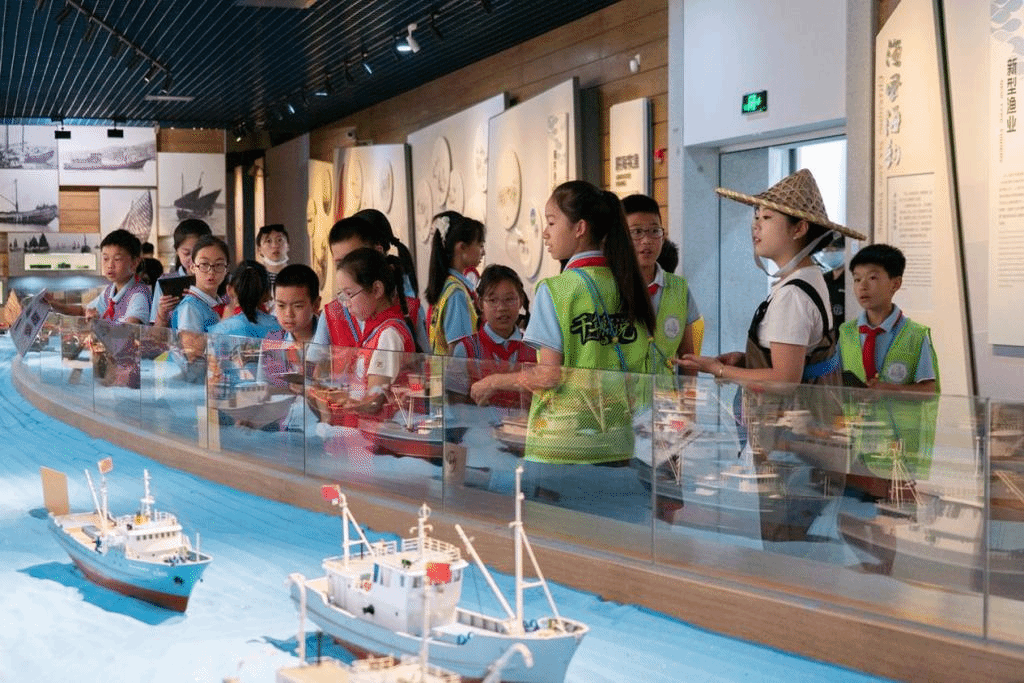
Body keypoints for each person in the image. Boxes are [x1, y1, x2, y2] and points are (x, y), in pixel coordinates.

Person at [473, 180, 654, 466]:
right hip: (618, 440)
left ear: (580, 228)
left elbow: (549, 376)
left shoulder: (556, 290)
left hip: (563, 444)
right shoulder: (630, 285)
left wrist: (494, 382)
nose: (545, 233)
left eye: (552, 222)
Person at [679, 169, 866, 385]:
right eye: (756, 216)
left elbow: (784, 380)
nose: (756, 226)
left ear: (799, 229)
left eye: (767, 217)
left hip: (790, 408)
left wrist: (719, 369)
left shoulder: (792, 295)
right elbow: (798, 361)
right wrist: (745, 361)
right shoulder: (809, 277)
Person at [839, 243, 940, 485]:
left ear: (895, 284)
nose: (862, 286)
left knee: (896, 505)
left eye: (872, 277)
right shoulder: (846, 332)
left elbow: (930, 391)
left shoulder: (915, 335)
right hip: (854, 446)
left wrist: (890, 390)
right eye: (857, 279)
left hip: (898, 449)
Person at [309, 248, 416, 424]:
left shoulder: (388, 335)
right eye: (342, 295)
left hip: (384, 434)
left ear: (376, 289)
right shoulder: (374, 331)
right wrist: (340, 394)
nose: (346, 304)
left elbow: (374, 402)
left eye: (349, 294)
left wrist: (345, 400)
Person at [312, 214, 426, 353]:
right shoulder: (331, 314)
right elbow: (314, 363)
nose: (347, 268)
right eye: (340, 263)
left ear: (378, 252)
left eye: (354, 258)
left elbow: (427, 362)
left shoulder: (410, 309)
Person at [621, 194, 702, 371]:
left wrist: (689, 387)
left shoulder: (680, 289)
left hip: (665, 389)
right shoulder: (610, 286)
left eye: (654, 231)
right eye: (637, 232)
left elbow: (687, 357)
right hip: (620, 389)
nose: (647, 241)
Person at [449, 265, 536, 411]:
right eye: (493, 300)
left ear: (521, 301)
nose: (502, 308)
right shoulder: (466, 349)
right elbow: (455, 405)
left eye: (509, 299)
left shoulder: (534, 347)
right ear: (480, 304)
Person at [257, 264, 322, 433]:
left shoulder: (329, 341)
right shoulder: (272, 342)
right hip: (284, 430)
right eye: (281, 305)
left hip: (322, 432)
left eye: (298, 306)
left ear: (316, 304)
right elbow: (262, 389)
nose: (288, 314)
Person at [47, 229, 151, 325]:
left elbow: (130, 330)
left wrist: (100, 322)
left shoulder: (139, 295)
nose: (110, 265)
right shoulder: (110, 290)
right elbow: (84, 311)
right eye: (105, 258)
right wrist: (55, 305)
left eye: (117, 259)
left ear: (134, 263)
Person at [424, 211, 485, 355]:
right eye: (480, 245)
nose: (483, 252)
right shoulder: (457, 293)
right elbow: (459, 351)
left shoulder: (446, 285)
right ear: (461, 247)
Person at [152, 219, 212, 326]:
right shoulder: (165, 282)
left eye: (198, 253)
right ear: (177, 251)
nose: (193, 259)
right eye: (186, 253)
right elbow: (155, 331)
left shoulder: (217, 279)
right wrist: (162, 312)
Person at [170, 234, 230, 333]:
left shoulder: (218, 304)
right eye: (204, 264)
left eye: (219, 264)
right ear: (193, 267)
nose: (211, 271)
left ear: (226, 269)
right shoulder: (190, 307)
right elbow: (190, 342)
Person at [209, 260, 281, 339]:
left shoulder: (217, 331)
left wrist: (223, 323)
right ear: (266, 294)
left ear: (229, 289)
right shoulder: (279, 328)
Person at [255, 224, 290, 289]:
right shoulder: (255, 278)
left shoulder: (298, 276)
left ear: (287, 246)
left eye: (279, 240)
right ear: (259, 249)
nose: (275, 246)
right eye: (268, 241)